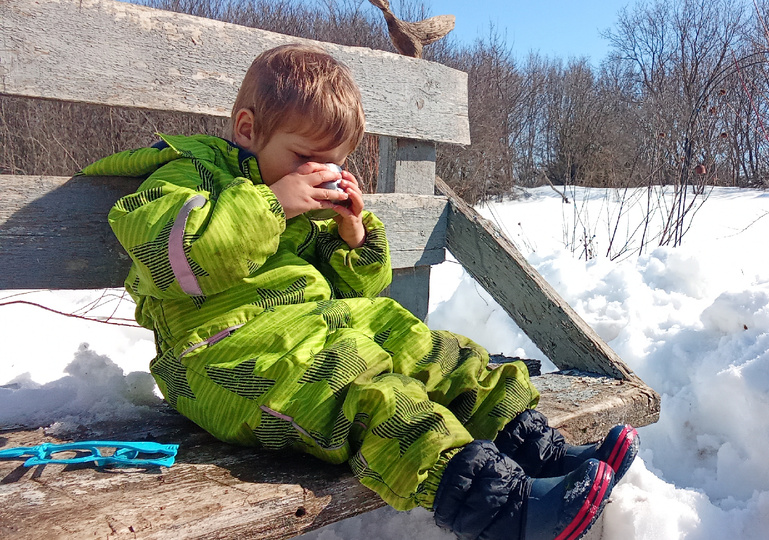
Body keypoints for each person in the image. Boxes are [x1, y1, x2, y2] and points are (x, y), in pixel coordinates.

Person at [82, 43, 638, 540]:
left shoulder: (292, 191)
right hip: (221, 357)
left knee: (423, 346)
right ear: (248, 129)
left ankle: (538, 452)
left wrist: (353, 238)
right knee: (363, 389)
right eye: (307, 157)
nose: (320, 174)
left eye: (334, 164)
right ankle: (502, 511)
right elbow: (179, 258)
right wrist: (273, 204)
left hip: (307, 331)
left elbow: (356, 293)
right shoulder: (187, 175)